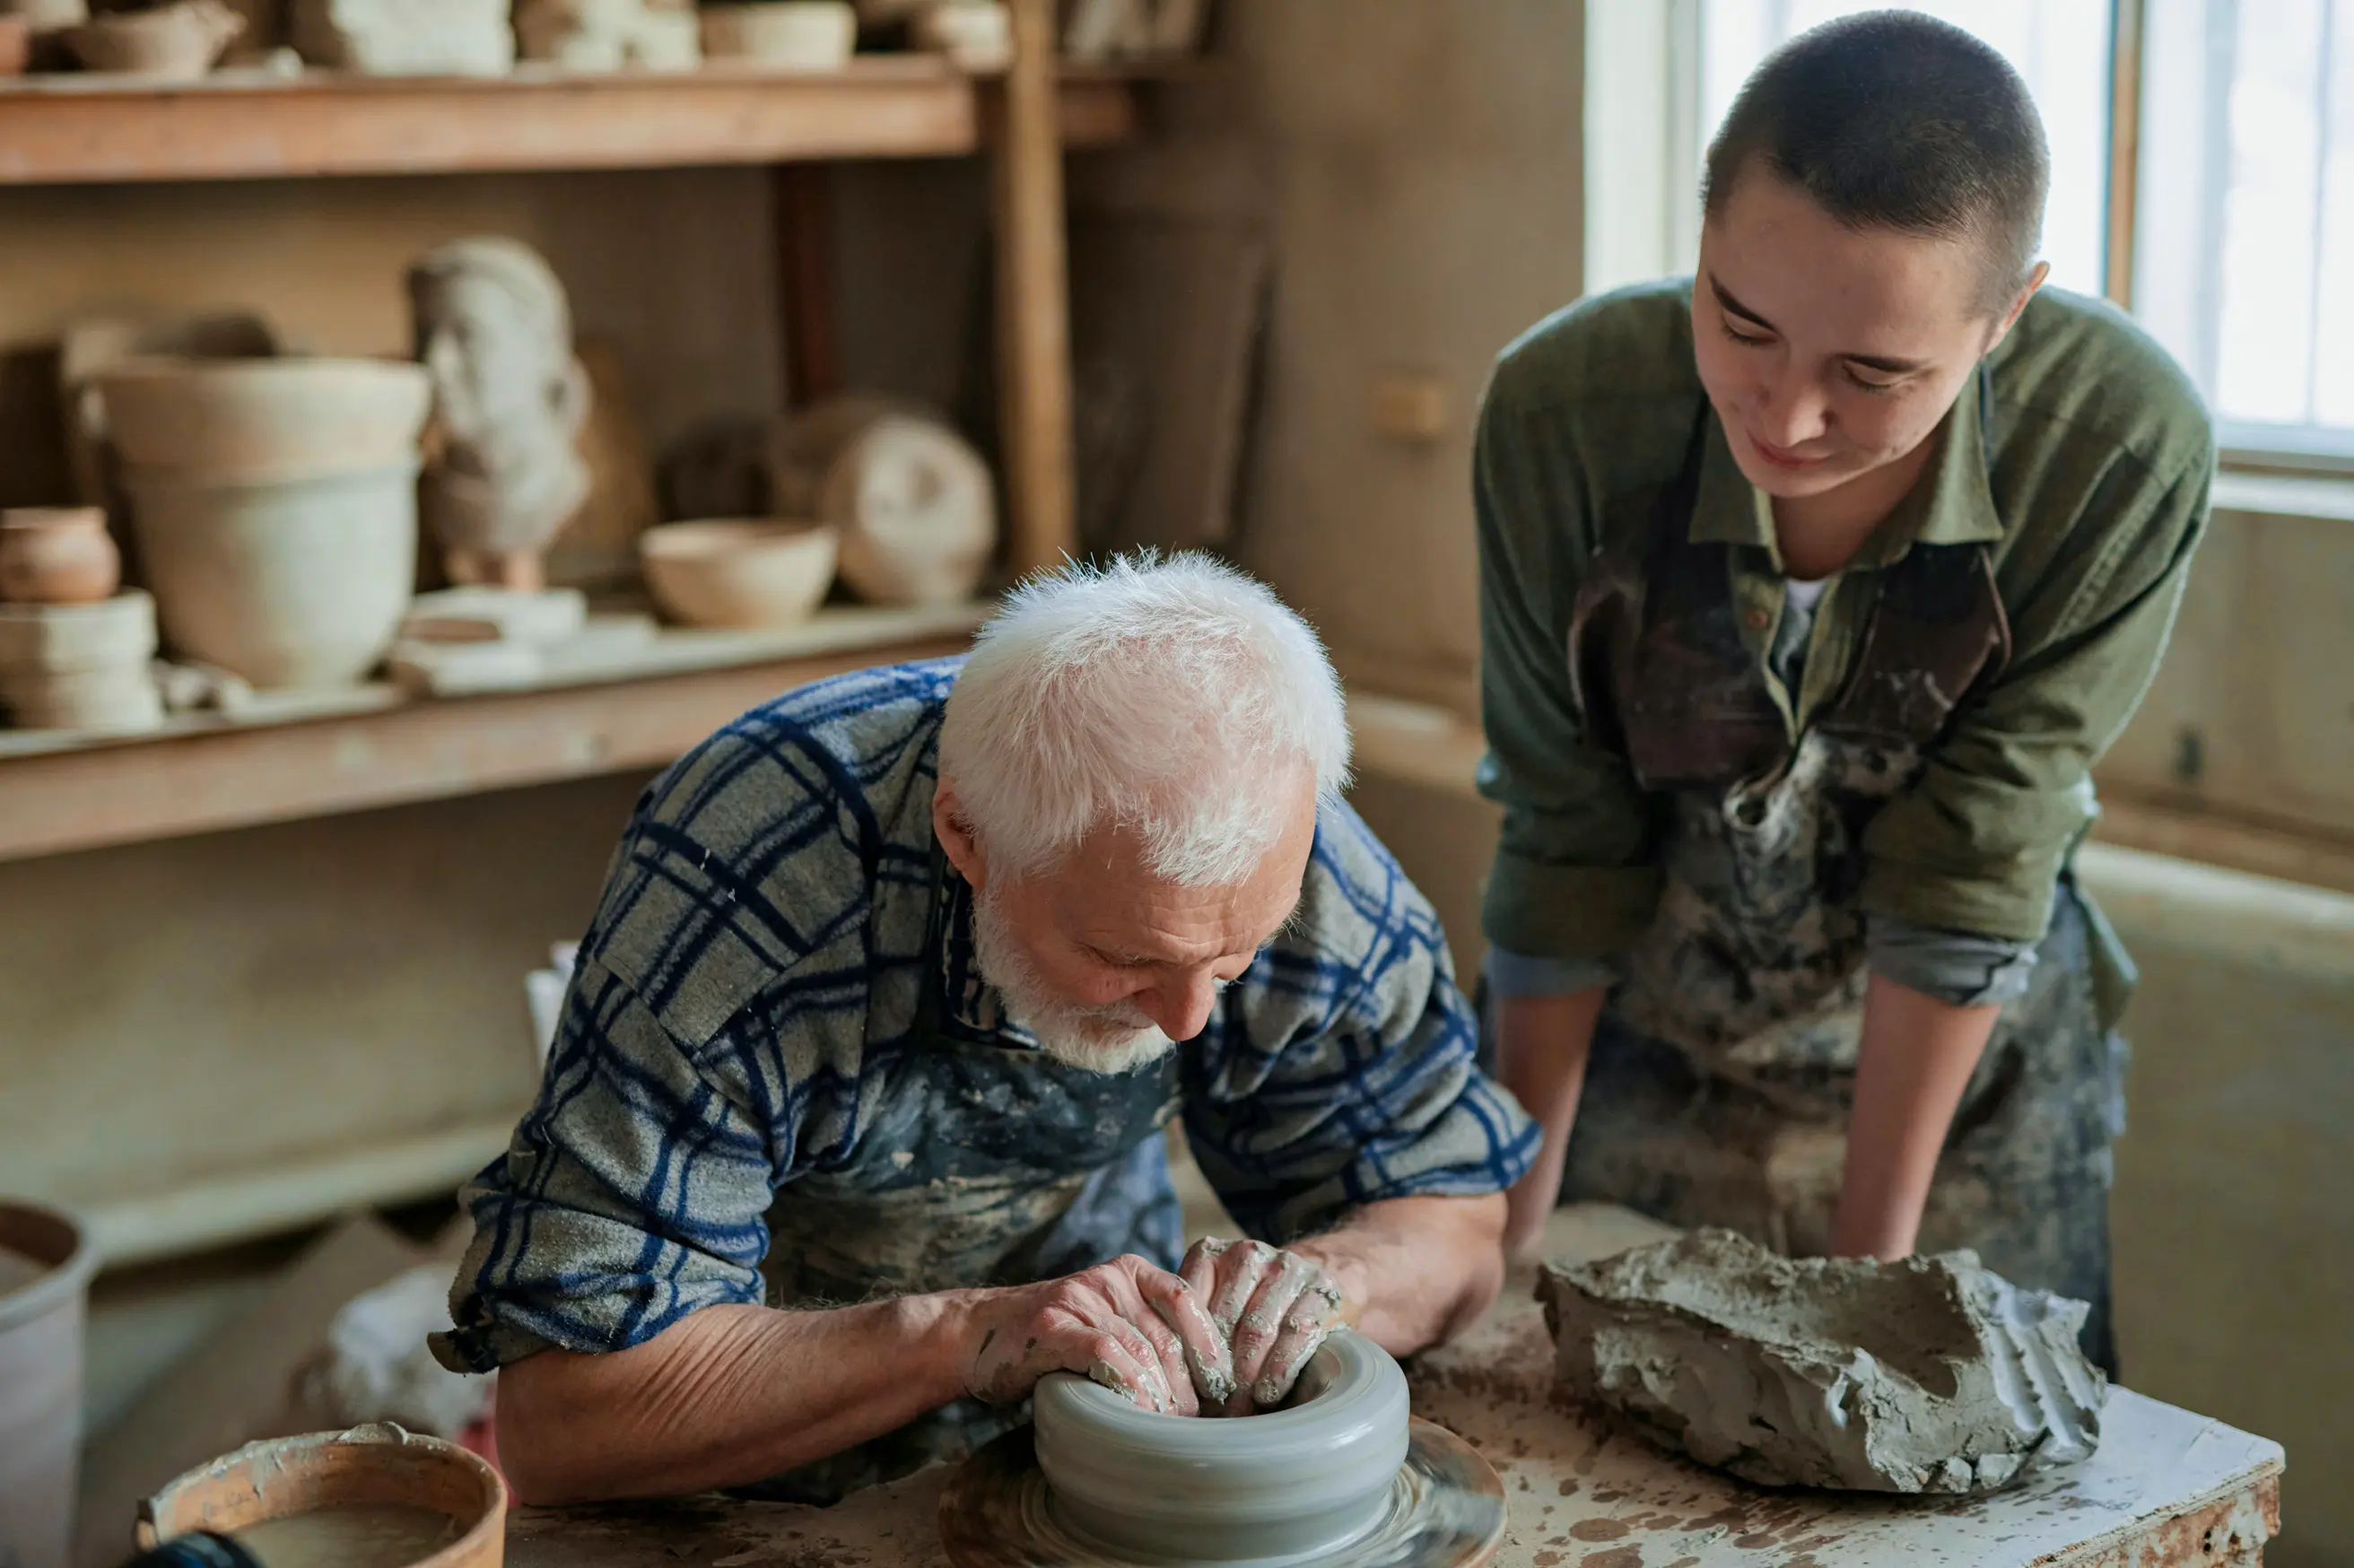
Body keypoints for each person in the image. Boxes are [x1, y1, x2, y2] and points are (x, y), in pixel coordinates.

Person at [432, 553, 1537, 1504]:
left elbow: (1456, 1223)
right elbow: (559, 1419)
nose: (1190, 1012)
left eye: (1234, 955)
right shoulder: (751, 876)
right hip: (756, 1409)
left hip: (1096, 1383)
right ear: (965, 838)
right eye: (1124, 958)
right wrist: (957, 1334)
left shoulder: (1298, 863)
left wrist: (1318, 1285)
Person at [1474, 11, 2212, 1372]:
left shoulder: (2114, 445)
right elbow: (1563, 829)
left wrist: (1865, 1301)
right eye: (1740, 322)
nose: (1788, 416)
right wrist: (1502, 1245)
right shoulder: (1560, 418)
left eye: (1874, 374)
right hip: (1650, 1035)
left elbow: (1978, 851)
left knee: (1962, 1464)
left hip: (1961, 1077)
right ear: (1700, 240)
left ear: (2007, 318)